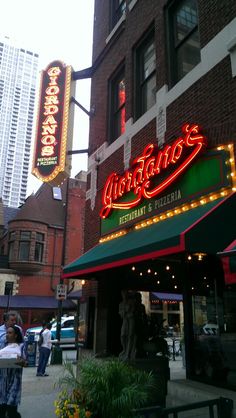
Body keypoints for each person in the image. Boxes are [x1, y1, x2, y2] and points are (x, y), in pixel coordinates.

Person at [0, 325, 27, 418]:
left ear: (15, 335)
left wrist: (21, 362)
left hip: (14, 383)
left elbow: (26, 363)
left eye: (10, 333)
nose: (7, 335)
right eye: (7, 333)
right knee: (2, 411)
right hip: (2, 384)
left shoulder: (21, 346)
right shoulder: (3, 346)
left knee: (11, 411)